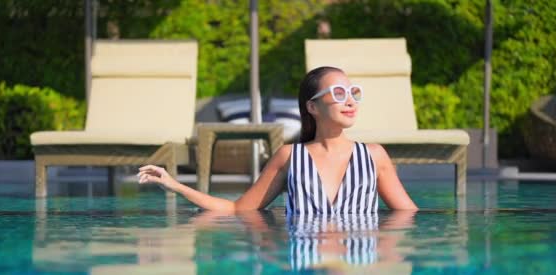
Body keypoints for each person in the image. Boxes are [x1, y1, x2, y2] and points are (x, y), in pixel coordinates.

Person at [138, 66, 418, 213]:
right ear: (312, 107)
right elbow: (237, 209)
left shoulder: (374, 156)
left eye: (353, 93)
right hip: (307, 272)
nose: (350, 101)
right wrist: (173, 184)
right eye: (339, 93)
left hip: (357, 271)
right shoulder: (289, 157)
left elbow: (408, 216)